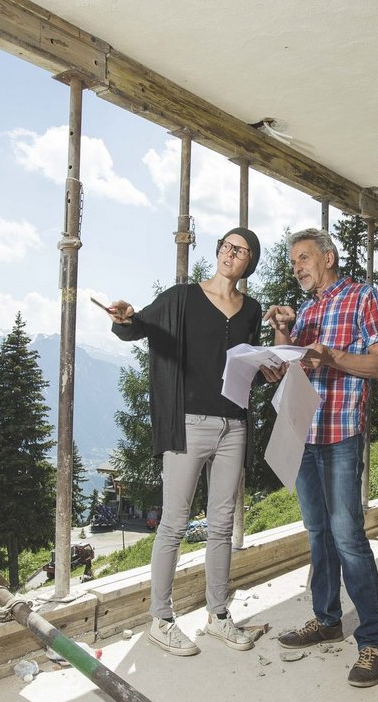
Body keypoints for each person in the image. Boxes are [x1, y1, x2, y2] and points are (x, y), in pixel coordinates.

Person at [108, 228, 263, 656]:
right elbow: (138, 327)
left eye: (243, 252)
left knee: (222, 524)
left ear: (250, 262)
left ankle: (218, 615)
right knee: (174, 523)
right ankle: (160, 618)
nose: (233, 255)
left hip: (235, 426)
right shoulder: (182, 297)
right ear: (217, 252)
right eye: (228, 247)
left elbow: (245, 363)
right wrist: (123, 317)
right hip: (189, 424)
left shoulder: (251, 309)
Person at [263, 228, 378, 687]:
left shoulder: (361, 298)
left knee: (347, 535)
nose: (296, 266)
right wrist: (282, 333)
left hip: (340, 433)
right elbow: (287, 368)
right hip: (302, 431)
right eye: (293, 260)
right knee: (317, 532)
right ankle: (326, 618)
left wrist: (333, 357)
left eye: (303, 257)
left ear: (329, 256)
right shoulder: (307, 311)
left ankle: (374, 641)